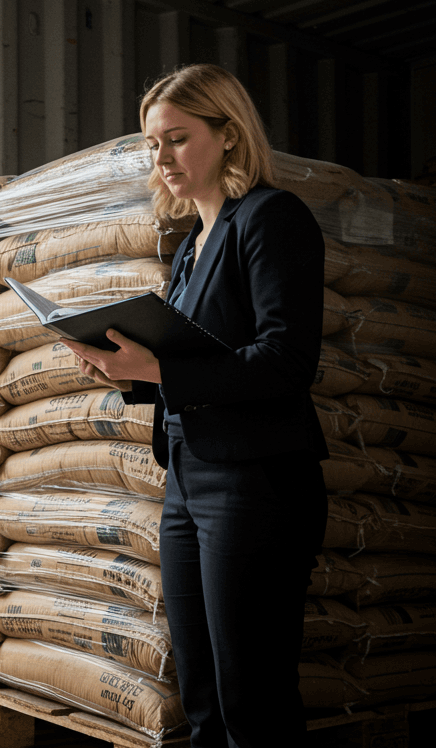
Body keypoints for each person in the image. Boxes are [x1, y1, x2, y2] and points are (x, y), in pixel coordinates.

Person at [63, 64, 327, 747]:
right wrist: (120, 368)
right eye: (154, 144)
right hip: (187, 475)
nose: (162, 158)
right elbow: (182, 365)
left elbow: (287, 360)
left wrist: (158, 368)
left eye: (177, 139)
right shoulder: (189, 247)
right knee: (202, 692)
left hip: (256, 480)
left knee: (252, 696)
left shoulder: (271, 219)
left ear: (230, 136)